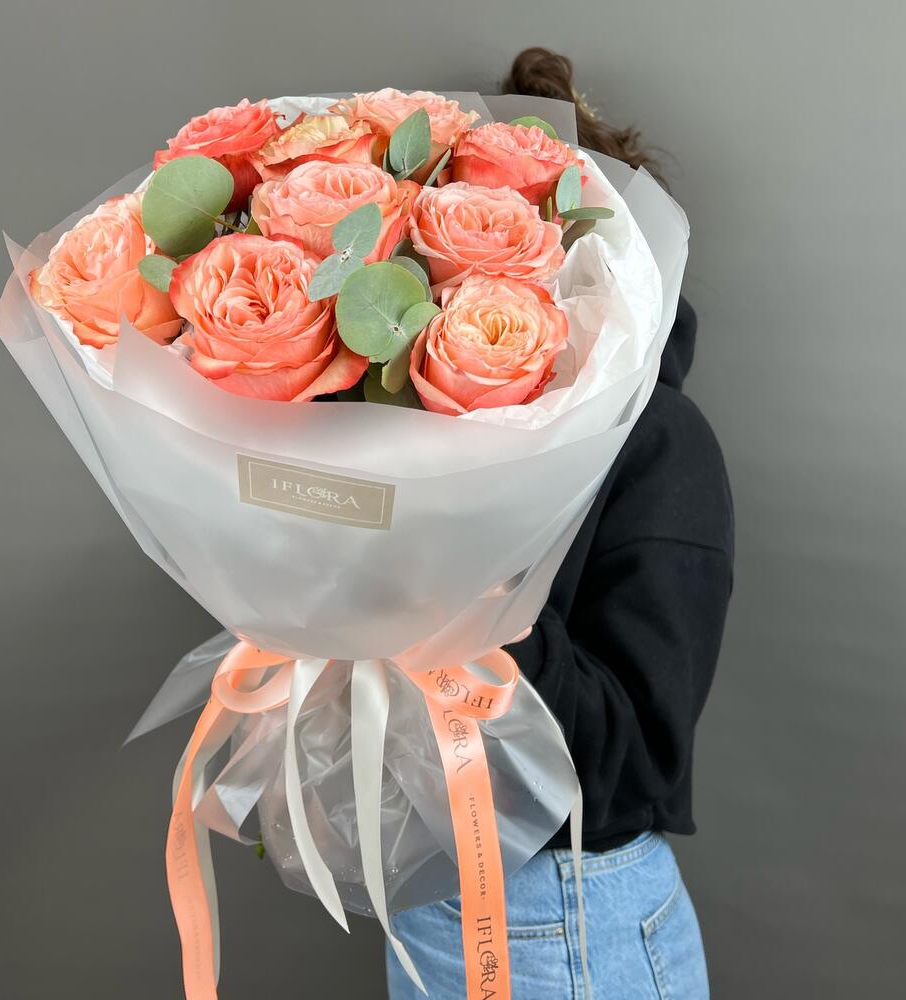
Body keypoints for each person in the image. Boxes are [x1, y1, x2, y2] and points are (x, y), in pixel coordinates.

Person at [387, 47, 734, 1000]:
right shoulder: (421, 435)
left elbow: (631, 766)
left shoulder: (662, 445)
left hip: (571, 919)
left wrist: (472, 594)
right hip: (435, 900)